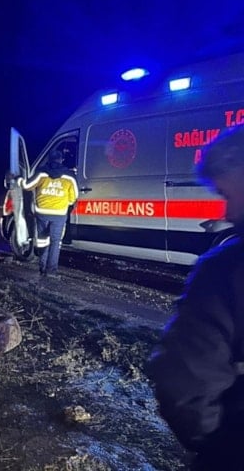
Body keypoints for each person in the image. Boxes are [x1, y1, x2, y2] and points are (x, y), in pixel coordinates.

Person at [146, 124, 244, 470]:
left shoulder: (227, 269)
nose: (227, 213)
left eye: (227, 194)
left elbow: (184, 381)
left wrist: (219, 450)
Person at [20, 149, 78, 278]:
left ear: (49, 159)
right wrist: (65, 202)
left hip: (42, 213)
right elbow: (74, 197)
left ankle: (42, 267)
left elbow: (27, 186)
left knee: (42, 240)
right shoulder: (69, 176)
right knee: (55, 242)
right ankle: (51, 271)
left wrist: (18, 180)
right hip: (59, 213)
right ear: (61, 159)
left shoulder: (41, 173)